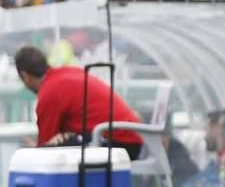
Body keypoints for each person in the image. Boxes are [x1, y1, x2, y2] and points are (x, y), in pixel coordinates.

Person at [13, 46, 143, 159]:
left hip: (119, 143)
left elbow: (45, 150)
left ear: (25, 76)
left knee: (51, 153)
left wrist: (33, 150)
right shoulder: (65, 72)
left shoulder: (49, 92)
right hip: (131, 136)